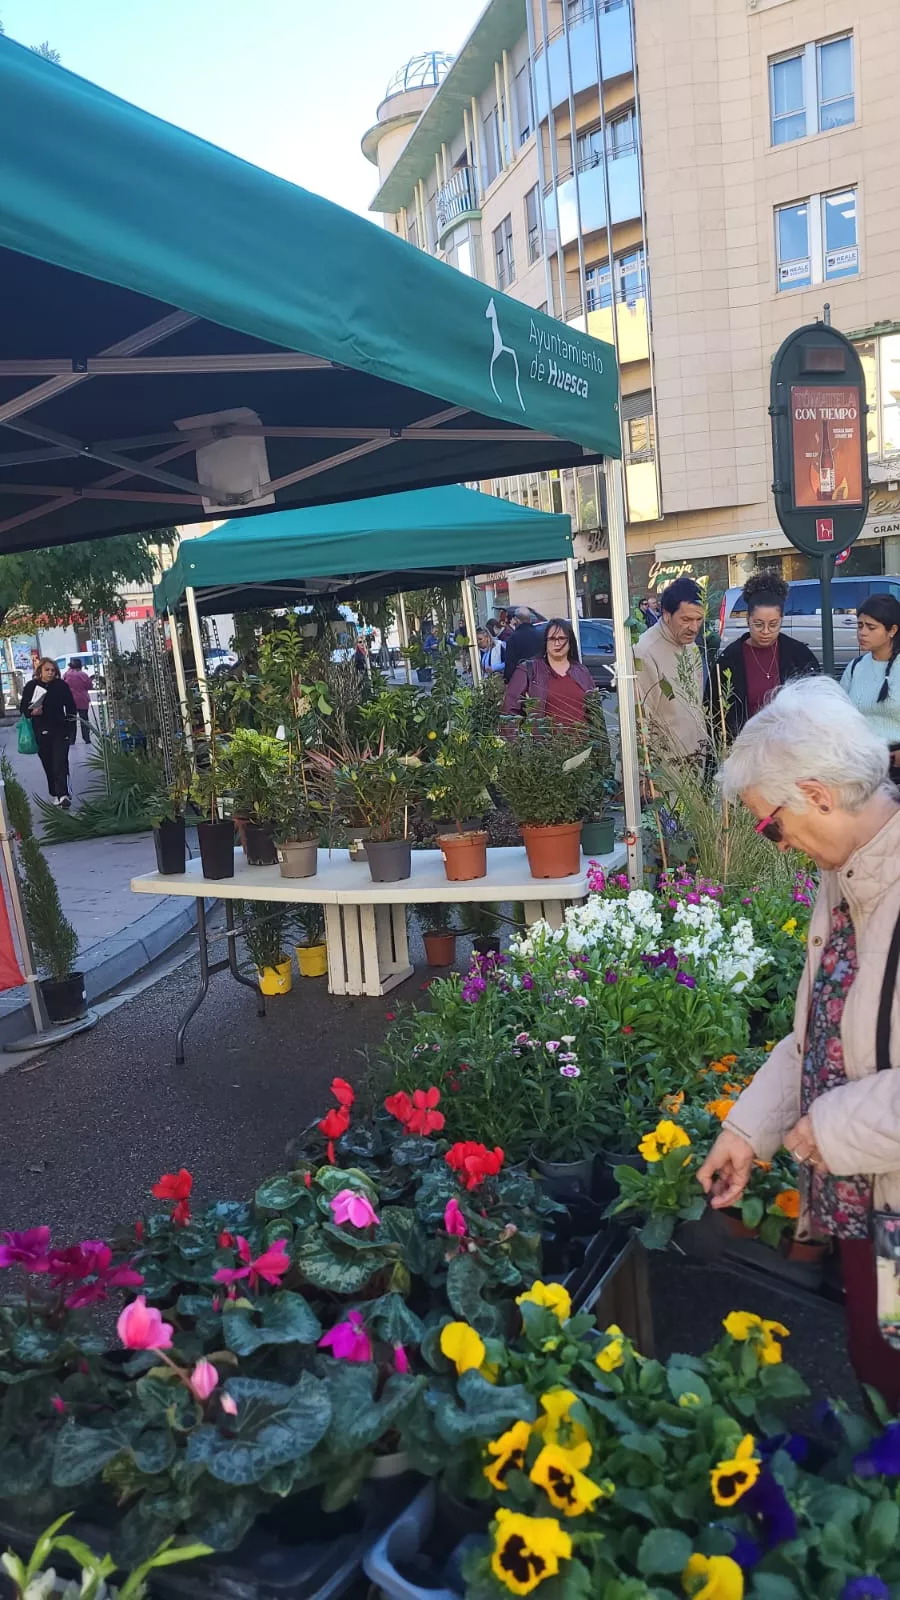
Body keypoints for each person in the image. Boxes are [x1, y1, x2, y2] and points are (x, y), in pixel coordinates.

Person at [697, 676, 900, 1408]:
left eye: (769, 825)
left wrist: (831, 1126)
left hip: (884, 1191)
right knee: (878, 1371)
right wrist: (749, 1130)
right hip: (867, 1201)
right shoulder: (846, 876)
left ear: (816, 793)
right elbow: (820, 1032)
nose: (775, 844)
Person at [709, 572, 819, 738]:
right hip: (745, 749)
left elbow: (817, 708)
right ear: (748, 620)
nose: (766, 631)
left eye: (773, 624)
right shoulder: (729, 660)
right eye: (758, 624)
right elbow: (714, 714)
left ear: (782, 619)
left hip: (791, 748)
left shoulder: (800, 656)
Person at [633, 575, 706, 759]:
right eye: (687, 619)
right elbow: (639, 721)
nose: (694, 627)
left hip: (695, 759)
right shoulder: (644, 652)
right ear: (666, 615)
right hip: (663, 770)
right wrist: (646, 778)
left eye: (699, 619)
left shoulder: (691, 646)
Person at [841, 595, 900, 786]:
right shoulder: (855, 667)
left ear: (892, 630)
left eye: (871, 627)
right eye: (859, 626)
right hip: (863, 766)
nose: (862, 632)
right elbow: (839, 714)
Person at [502, 618, 596, 729]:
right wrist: (519, 744)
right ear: (545, 642)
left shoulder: (582, 672)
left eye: (561, 638)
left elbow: (595, 715)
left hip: (583, 744)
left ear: (570, 642)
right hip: (544, 744)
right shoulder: (528, 671)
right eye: (552, 639)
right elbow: (510, 712)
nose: (557, 643)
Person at [20, 658, 76, 807]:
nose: (50, 673)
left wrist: (71, 729)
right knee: (48, 763)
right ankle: (54, 792)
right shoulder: (31, 686)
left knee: (60, 762)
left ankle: (63, 794)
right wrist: (32, 712)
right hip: (41, 729)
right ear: (40, 671)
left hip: (60, 729)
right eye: (47, 670)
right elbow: (23, 709)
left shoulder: (61, 686)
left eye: (53, 670)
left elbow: (71, 707)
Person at [503, 606, 544, 683]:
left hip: (521, 680)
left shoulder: (513, 638)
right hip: (540, 678)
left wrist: (507, 680)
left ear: (516, 620)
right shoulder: (541, 634)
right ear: (529, 619)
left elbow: (510, 663)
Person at [63, 657, 93, 744]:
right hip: (82, 699)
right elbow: (89, 686)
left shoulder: (66, 675)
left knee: (71, 720)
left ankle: (71, 739)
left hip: (70, 700)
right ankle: (86, 738)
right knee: (84, 720)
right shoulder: (83, 675)